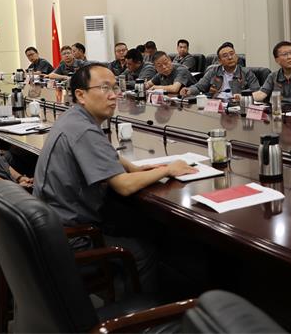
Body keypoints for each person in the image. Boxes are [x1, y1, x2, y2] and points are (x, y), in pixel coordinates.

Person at [33, 63, 196, 290]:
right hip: (71, 238)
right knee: (143, 251)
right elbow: (123, 186)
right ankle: (139, 309)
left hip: (53, 226)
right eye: (104, 88)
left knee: (142, 224)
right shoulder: (84, 129)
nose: (113, 95)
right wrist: (168, 169)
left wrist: (134, 168)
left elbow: (106, 153)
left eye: (115, 87)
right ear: (80, 95)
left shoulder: (74, 118)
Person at [181, 42, 259, 101]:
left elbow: (256, 90)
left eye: (232, 54)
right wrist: (189, 90)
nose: (230, 57)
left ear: (236, 56)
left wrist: (242, 96)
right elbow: (199, 87)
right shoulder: (213, 71)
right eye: (225, 56)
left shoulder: (246, 72)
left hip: (236, 106)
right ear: (220, 61)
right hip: (215, 105)